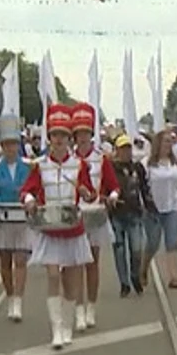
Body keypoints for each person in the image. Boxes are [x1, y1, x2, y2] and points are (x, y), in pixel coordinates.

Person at [20, 104, 97, 351]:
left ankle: (67, 326)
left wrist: (85, 192)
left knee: (71, 282)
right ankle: (56, 327)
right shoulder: (40, 165)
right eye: (55, 135)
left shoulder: (80, 165)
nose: (59, 140)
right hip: (49, 228)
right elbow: (26, 191)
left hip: (72, 229)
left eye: (63, 136)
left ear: (69, 139)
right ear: (50, 138)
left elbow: (90, 194)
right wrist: (30, 201)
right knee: (53, 276)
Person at [68, 102, 120, 332]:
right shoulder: (67, 160)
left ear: (91, 134)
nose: (82, 138)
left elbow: (113, 185)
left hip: (96, 213)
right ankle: (78, 309)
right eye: (78, 134)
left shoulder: (102, 159)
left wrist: (113, 196)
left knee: (93, 263)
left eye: (86, 133)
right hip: (74, 215)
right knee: (77, 263)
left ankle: (91, 306)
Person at [0, 118, 34, 322]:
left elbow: (33, 189)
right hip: (3, 217)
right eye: (6, 145)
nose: (10, 149)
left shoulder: (28, 168)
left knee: (21, 259)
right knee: (5, 261)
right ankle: (10, 296)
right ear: (2, 147)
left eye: (13, 144)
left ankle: (19, 301)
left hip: (21, 217)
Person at [107, 134, 155, 296]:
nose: (126, 152)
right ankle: (124, 284)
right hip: (116, 214)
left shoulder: (137, 168)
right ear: (116, 151)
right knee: (119, 251)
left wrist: (150, 207)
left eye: (128, 148)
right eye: (122, 149)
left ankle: (135, 275)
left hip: (135, 213)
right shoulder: (110, 168)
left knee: (137, 249)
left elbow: (145, 189)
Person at [144, 130, 177, 291]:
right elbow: (144, 186)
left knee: (172, 242)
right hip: (154, 209)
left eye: (170, 141)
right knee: (153, 243)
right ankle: (145, 266)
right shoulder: (147, 164)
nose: (168, 144)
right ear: (158, 144)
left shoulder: (175, 164)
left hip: (173, 207)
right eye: (165, 141)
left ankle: (174, 276)